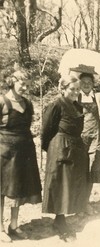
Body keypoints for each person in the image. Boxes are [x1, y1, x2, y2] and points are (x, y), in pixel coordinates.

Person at [41, 75, 89, 242]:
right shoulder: (56, 104)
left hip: (74, 146)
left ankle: (61, 218)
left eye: (77, 89)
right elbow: (46, 130)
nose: (75, 92)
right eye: (72, 89)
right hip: (60, 146)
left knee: (69, 183)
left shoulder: (77, 105)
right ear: (63, 89)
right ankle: (60, 222)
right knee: (60, 184)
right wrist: (52, 148)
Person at [0, 67, 42, 242]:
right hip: (4, 152)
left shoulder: (28, 103)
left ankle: (14, 225)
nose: (25, 88)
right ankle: (0, 228)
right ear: (12, 81)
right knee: (2, 190)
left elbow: (27, 127)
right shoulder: (2, 102)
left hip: (24, 151)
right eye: (22, 84)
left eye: (27, 85)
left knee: (18, 189)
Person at [70, 64, 100, 215]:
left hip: (95, 138)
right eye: (84, 82)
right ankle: (77, 205)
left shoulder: (97, 97)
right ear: (79, 83)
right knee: (79, 172)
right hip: (80, 139)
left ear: (93, 84)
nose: (87, 84)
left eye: (90, 82)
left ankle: (86, 203)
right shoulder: (75, 96)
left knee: (90, 172)